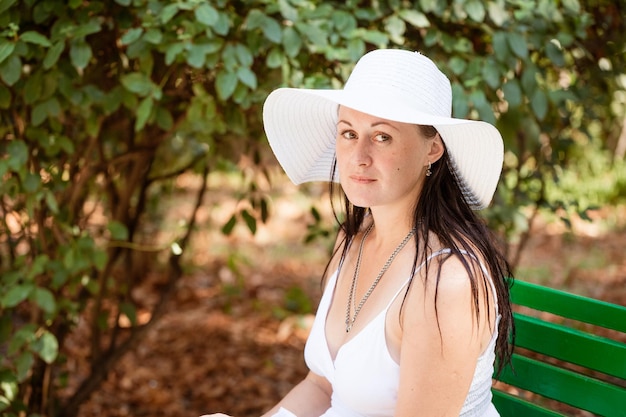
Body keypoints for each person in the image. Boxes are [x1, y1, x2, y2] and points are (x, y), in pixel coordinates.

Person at [205, 48, 514, 417]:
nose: (358, 156)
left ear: (432, 149)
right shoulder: (351, 241)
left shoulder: (447, 282)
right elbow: (322, 386)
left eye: (382, 137)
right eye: (348, 133)